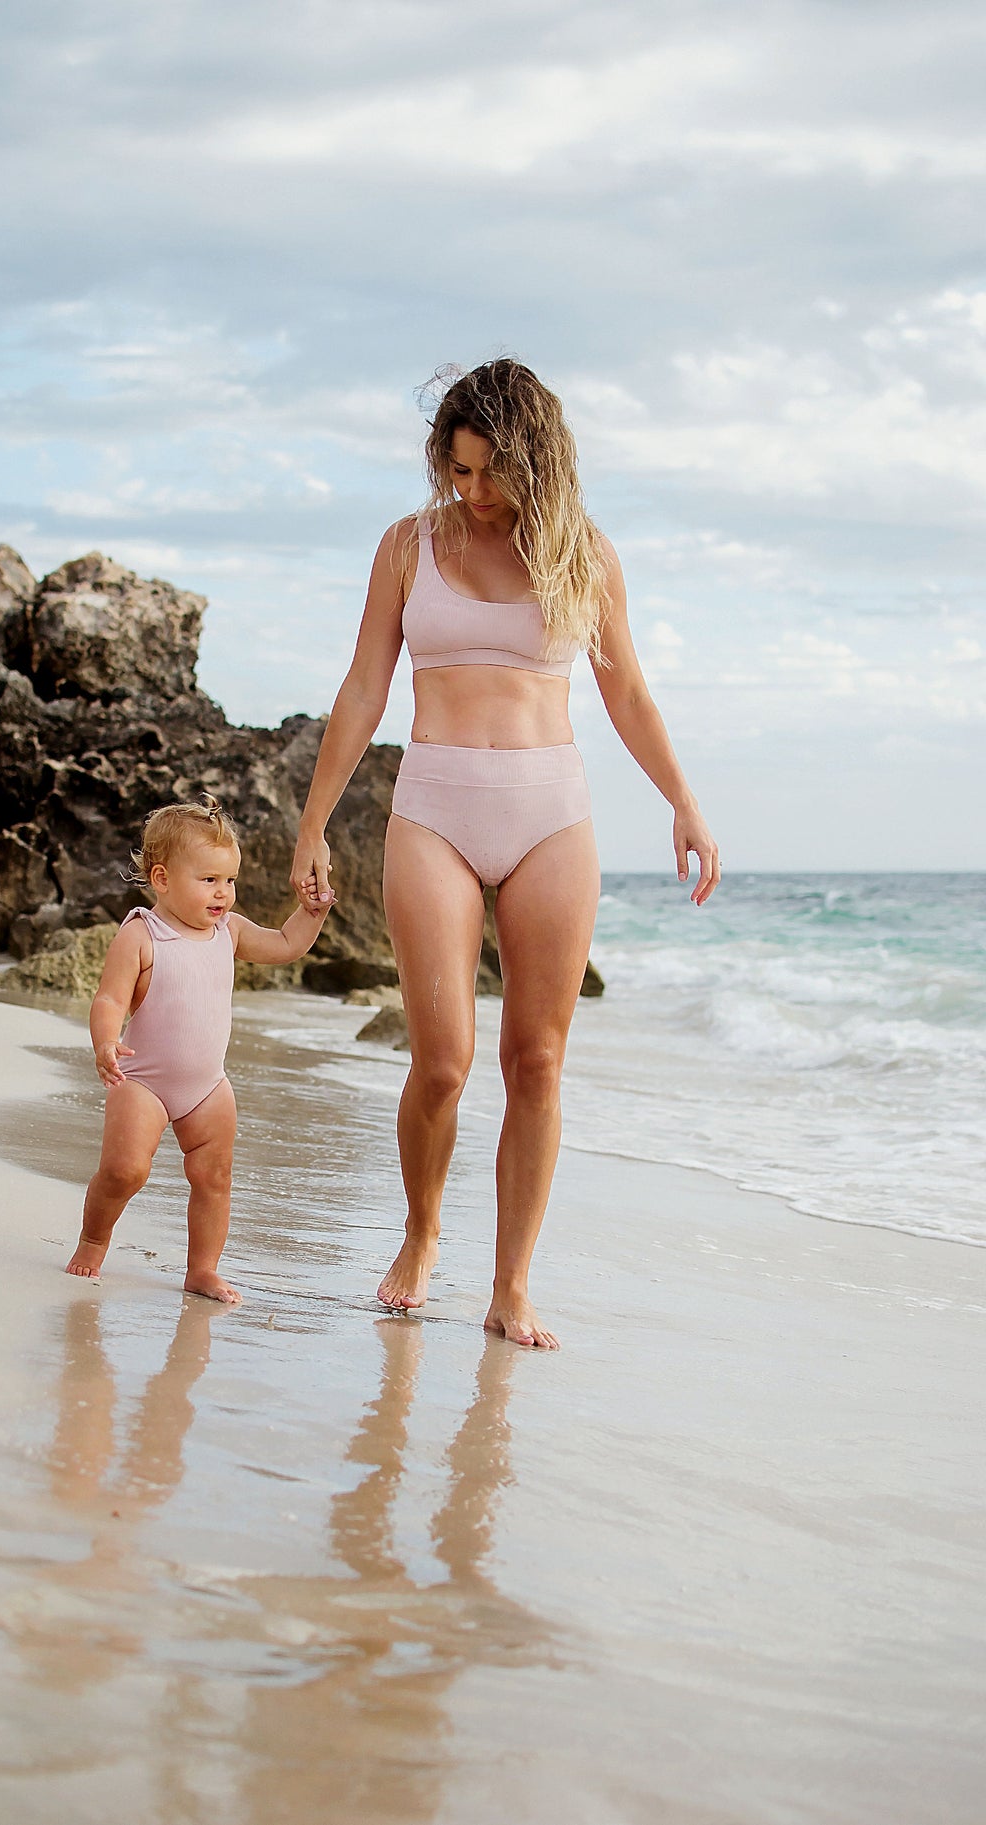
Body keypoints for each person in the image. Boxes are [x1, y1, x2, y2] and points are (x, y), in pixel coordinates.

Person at [291, 359, 719, 1350]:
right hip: (434, 806)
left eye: (490, 472)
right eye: (457, 469)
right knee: (442, 1063)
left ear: (535, 461)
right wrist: (314, 821)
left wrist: (684, 801)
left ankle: (512, 1284)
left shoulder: (586, 557)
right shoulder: (407, 547)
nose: (470, 492)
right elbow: (363, 688)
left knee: (539, 1059)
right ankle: (421, 1230)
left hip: (549, 814)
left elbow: (629, 697)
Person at [66, 799, 332, 1299]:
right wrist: (105, 1042)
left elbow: (283, 944)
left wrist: (310, 912)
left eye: (229, 881)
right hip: (142, 1079)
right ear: (162, 879)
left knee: (214, 1177)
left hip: (208, 1086)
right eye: (209, 879)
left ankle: (202, 1269)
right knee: (125, 1170)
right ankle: (93, 1241)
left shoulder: (227, 932)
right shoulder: (143, 933)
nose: (223, 893)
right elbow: (110, 998)